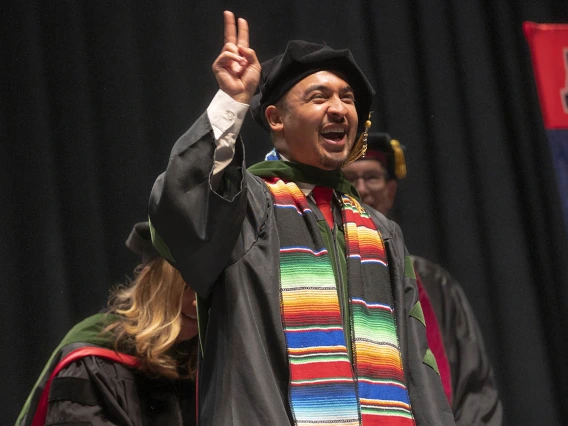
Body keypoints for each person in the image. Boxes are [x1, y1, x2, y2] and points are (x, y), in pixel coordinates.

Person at [148, 10, 455, 426]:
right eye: (319, 97)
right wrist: (232, 103)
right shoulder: (247, 206)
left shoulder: (382, 233)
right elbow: (180, 210)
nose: (339, 109)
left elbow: (416, 360)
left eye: (347, 98)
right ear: (275, 118)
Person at [343, 132, 503, 425]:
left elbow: (474, 385)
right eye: (350, 178)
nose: (361, 189)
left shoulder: (434, 284)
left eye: (372, 178)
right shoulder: (325, 275)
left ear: (391, 191)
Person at [16, 222, 198, 426]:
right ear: (150, 284)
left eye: (207, 291)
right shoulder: (93, 363)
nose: (197, 302)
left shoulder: (209, 363)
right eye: (188, 286)